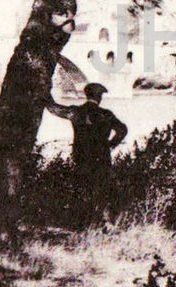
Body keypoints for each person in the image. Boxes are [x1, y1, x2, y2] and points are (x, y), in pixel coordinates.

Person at [47, 83, 128, 218]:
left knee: (83, 186)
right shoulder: (106, 114)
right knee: (102, 186)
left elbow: (53, 108)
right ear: (100, 97)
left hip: (81, 156)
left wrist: (45, 94)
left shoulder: (76, 112)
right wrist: (111, 144)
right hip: (101, 156)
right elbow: (123, 130)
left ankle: (85, 219)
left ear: (86, 95)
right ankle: (103, 218)